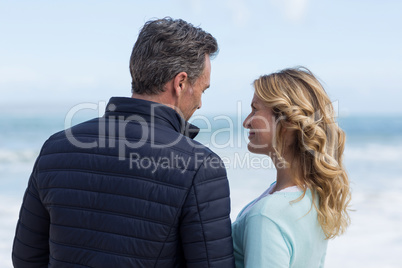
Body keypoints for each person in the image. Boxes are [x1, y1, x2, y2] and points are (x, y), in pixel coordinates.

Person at [12, 17, 235, 267]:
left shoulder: (55, 148)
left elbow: (26, 258)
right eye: (203, 90)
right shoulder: (201, 166)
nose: (200, 103)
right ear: (180, 83)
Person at [232, 67, 351, 267]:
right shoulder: (314, 198)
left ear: (285, 121)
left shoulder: (268, 214)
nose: (246, 122)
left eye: (255, 109)